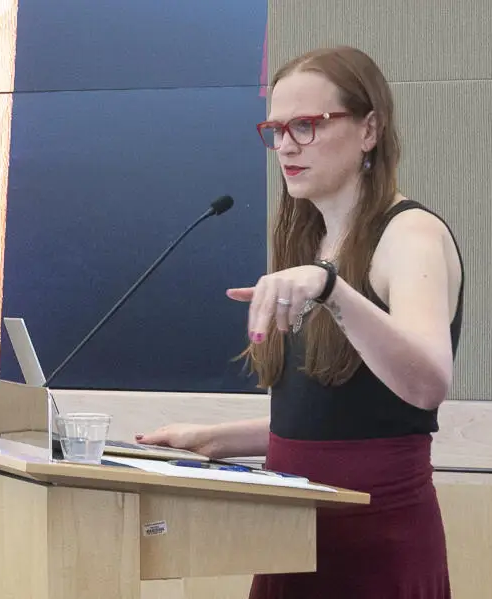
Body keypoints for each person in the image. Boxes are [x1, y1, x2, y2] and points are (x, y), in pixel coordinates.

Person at [136, 46, 463, 598]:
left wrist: (331, 288)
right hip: (292, 536)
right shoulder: (310, 239)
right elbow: (336, 423)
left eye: (307, 126)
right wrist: (213, 440)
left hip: (374, 545)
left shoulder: (411, 236)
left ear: (369, 130)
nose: (285, 146)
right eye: (277, 129)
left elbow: (427, 385)